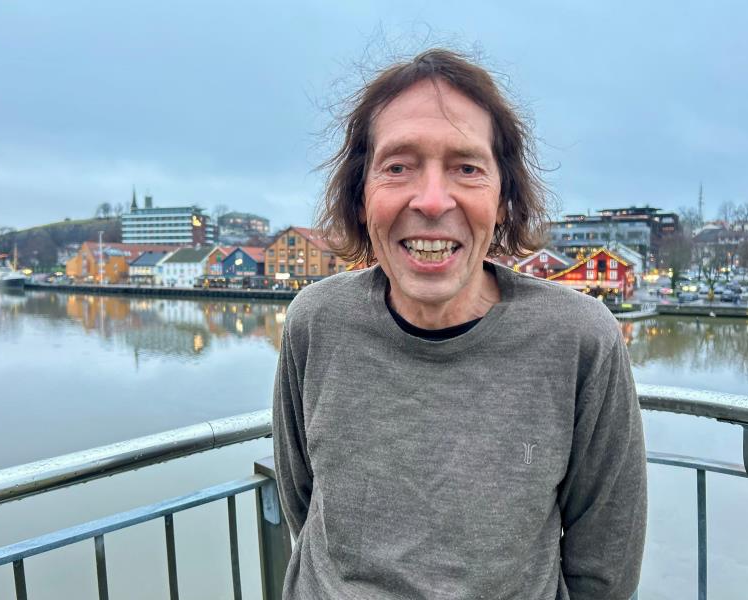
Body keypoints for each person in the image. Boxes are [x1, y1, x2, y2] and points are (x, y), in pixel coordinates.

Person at [273, 48, 646, 600]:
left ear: (503, 200)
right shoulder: (315, 321)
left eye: (467, 168)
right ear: (361, 197)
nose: (430, 201)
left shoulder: (580, 340)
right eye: (397, 167)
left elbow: (606, 564)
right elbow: (302, 499)